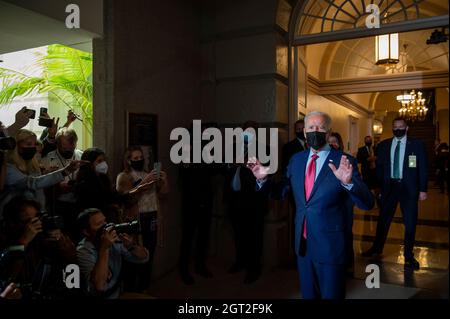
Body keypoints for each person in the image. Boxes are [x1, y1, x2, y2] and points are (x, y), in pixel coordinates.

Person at [248, 111, 374, 299]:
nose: (316, 131)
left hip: (330, 246)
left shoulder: (344, 161)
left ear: (329, 131)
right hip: (303, 246)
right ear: (305, 132)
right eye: (311, 127)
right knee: (308, 295)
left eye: (321, 127)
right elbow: (281, 191)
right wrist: (263, 180)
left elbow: (367, 202)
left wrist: (348, 183)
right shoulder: (297, 160)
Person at [362, 117, 428, 270]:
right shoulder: (384, 145)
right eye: (395, 126)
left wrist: (423, 189)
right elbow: (379, 167)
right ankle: (376, 248)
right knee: (383, 220)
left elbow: (422, 168)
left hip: (409, 189)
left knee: (410, 223)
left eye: (401, 126)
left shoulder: (417, 145)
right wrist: (378, 187)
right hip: (389, 188)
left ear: (406, 128)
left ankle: (409, 256)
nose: (397, 128)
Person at [0, 196, 78, 299]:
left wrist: (67, 253)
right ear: (12, 223)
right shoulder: (5, 243)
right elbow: (7, 280)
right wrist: (22, 242)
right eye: (27, 221)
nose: (34, 226)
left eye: (36, 219)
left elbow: (73, 280)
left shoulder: (45, 240)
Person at [115, 146, 169, 292]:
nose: (139, 160)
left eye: (141, 157)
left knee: (149, 254)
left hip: (152, 218)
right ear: (129, 161)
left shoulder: (148, 174)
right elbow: (126, 199)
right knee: (133, 254)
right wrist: (143, 184)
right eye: (135, 158)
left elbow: (163, 195)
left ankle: (144, 287)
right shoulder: (124, 176)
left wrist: (163, 181)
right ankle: (131, 289)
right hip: (135, 220)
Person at [224, 121, 270, 284]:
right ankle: (240, 261)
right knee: (239, 234)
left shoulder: (264, 149)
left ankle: (254, 268)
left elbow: (266, 173)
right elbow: (225, 166)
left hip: (254, 202)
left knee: (255, 236)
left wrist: (248, 164)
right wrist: (233, 162)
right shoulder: (232, 147)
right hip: (234, 200)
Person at [0, 129, 82, 217]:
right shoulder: (9, 167)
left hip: (37, 212)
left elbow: (39, 190)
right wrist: (64, 172)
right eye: (28, 144)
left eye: (34, 144)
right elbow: (33, 183)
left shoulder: (33, 165)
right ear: (17, 146)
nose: (33, 147)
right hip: (15, 216)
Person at [76, 208, 149, 298]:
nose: (106, 227)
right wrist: (105, 248)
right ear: (87, 232)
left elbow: (143, 258)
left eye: (105, 221)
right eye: (99, 224)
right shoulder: (83, 251)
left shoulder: (114, 240)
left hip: (117, 294)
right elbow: (100, 286)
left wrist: (131, 246)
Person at [40, 128, 83, 238]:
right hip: (57, 205)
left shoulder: (81, 155)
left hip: (78, 204)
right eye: (64, 148)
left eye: (71, 147)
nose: (68, 150)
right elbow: (41, 183)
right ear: (58, 144)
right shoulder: (48, 158)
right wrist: (58, 186)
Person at [328, 132, 355, 276]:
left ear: (340, 144)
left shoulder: (349, 159)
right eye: (329, 142)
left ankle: (348, 263)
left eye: (335, 142)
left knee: (346, 233)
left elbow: (357, 185)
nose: (332, 144)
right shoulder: (323, 160)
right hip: (329, 205)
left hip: (345, 203)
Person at [74, 148, 116, 214]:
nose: (103, 163)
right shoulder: (84, 184)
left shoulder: (104, 179)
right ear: (89, 164)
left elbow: (111, 197)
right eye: (99, 161)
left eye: (104, 160)